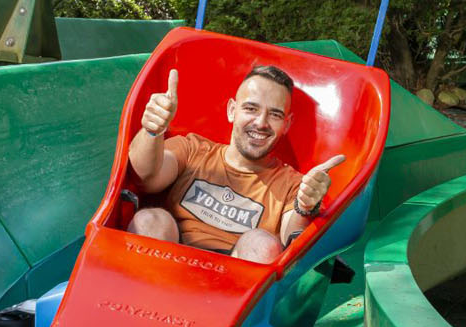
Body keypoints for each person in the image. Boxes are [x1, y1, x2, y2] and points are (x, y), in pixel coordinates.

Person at [126, 63, 345, 263]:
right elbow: (147, 178)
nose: (261, 123)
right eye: (251, 109)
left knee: (262, 244)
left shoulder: (292, 184)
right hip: (167, 260)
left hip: (237, 282)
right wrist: (152, 130)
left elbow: (292, 239)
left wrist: (305, 206)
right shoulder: (193, 149)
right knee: (149, 220)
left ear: (286, 124)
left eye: (275, 115)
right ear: (232, 110)